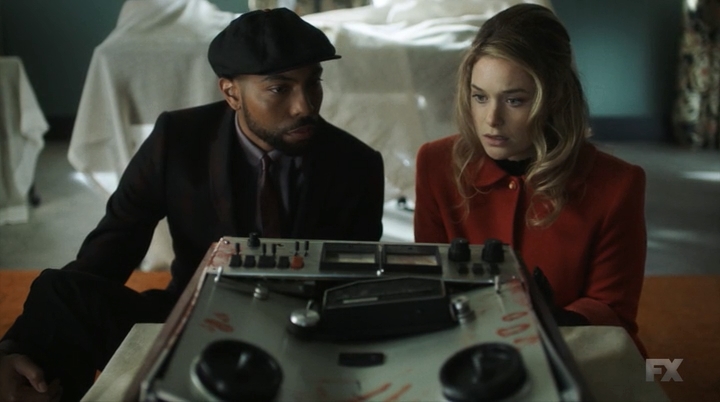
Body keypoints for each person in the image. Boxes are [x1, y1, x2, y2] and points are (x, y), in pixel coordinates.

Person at [0, 8, 385, 402]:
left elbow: (354, 288)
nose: (305, 105)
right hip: (190, 319)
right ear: (231, 93)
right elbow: (110, 250)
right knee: (59, 291)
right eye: (279, 89)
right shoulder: (177, 140)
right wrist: (15, 349)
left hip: (301, 334)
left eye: (313, 83)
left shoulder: (357, 164)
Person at [413, 4, 647, 350]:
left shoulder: (618, 185)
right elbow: (428, 283)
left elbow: (613, 313)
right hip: (464, 345)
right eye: (480, 97)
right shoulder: (435, 163)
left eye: (515, 101)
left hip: (572, 347)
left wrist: (546, 323)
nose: (491, 119)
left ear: (555, 98)